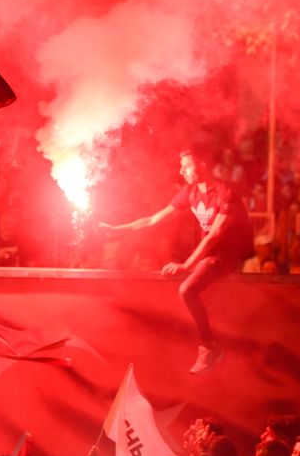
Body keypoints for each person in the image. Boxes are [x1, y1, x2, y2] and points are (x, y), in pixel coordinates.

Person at [101, 149, 254, 374]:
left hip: (228, 255)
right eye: (181, 166)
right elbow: (154, 219)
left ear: (202, 165)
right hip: (209, 256)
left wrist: (187, 265)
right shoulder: (190, 192)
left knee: (187, 289)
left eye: (186, 166)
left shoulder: (225, 191)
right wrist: (117, 230)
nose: (181, 171)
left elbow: (215, 234)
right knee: (192, 287)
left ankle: (208, 348)